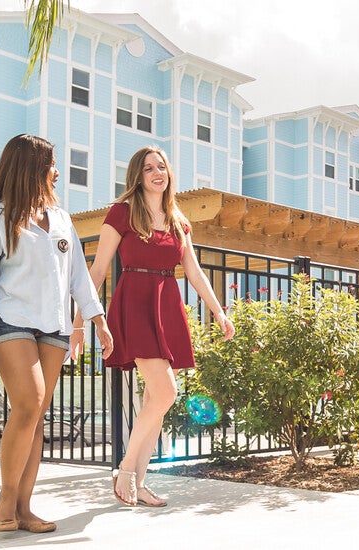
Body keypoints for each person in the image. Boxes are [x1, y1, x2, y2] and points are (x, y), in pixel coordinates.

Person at [0, 134, 112, 532]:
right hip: (11, 321)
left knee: (37, 414)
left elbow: (79, 276)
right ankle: (4, 502)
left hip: (55, 326)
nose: (57, 172)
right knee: (29, 403)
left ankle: (24, 508)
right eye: (51, 164)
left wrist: (97, 319)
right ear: (31, 167)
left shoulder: (61, 219)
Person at [71, 145, 233, 507]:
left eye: (162, 166)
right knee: (166, 393)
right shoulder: (122, 213)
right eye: (149, 168)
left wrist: (218, 311)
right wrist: (79, 323)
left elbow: (193, 271)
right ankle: (126, 470)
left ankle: (138, 482)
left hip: (166, 305)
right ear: (137, 176)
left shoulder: (178, 221)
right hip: (133, 303)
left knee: (155, 400)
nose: (158, 172)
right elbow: (96, 271)